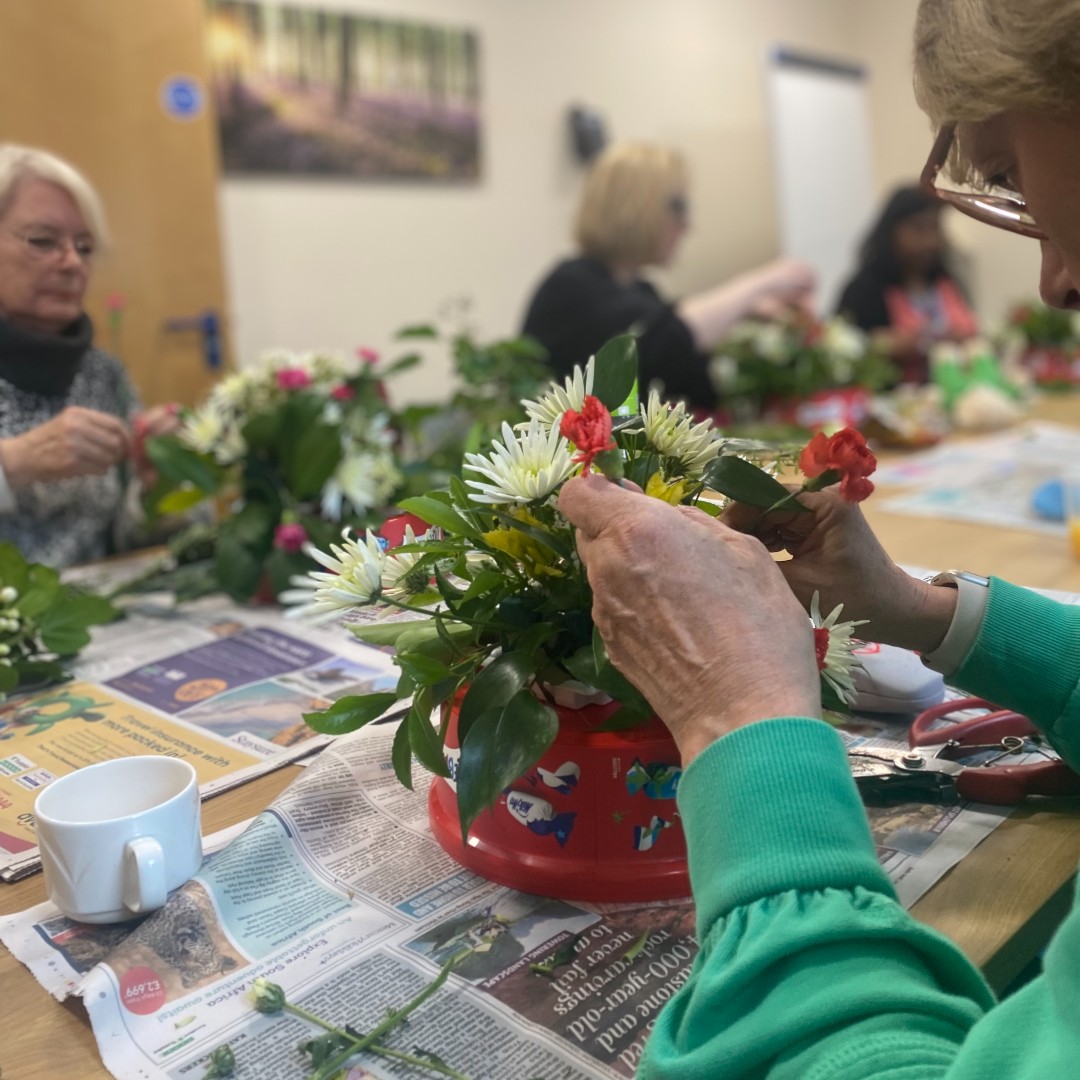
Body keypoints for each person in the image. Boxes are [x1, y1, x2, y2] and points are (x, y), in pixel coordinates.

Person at [557, 3, 1080, 1073]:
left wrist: (741, 722)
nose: (1056, 282)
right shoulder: (590, 296)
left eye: (1014, 175)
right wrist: (921, 613)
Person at [521, 142, 815, 411]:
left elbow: (677, 346)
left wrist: (749, 311)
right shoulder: (571, 287)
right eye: (678, 206)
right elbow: (667, 338)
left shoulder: (637, 288)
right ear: (634, 207)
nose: (687, 223)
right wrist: (763, 282)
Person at [0, 144, 177, 567]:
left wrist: (160, 489)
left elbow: (126, 540)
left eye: (84, 246)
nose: (71, 263)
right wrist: (13, 464)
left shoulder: (103, 376)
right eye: (42, 241)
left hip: (91, 622)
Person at [836, 185, 978, 383]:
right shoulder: (864, 290)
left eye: (935, 228)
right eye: (918, 229)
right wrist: (889, 345)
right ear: (891, 232)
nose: (929, 241)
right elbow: (841, 351)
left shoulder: (945, 282)